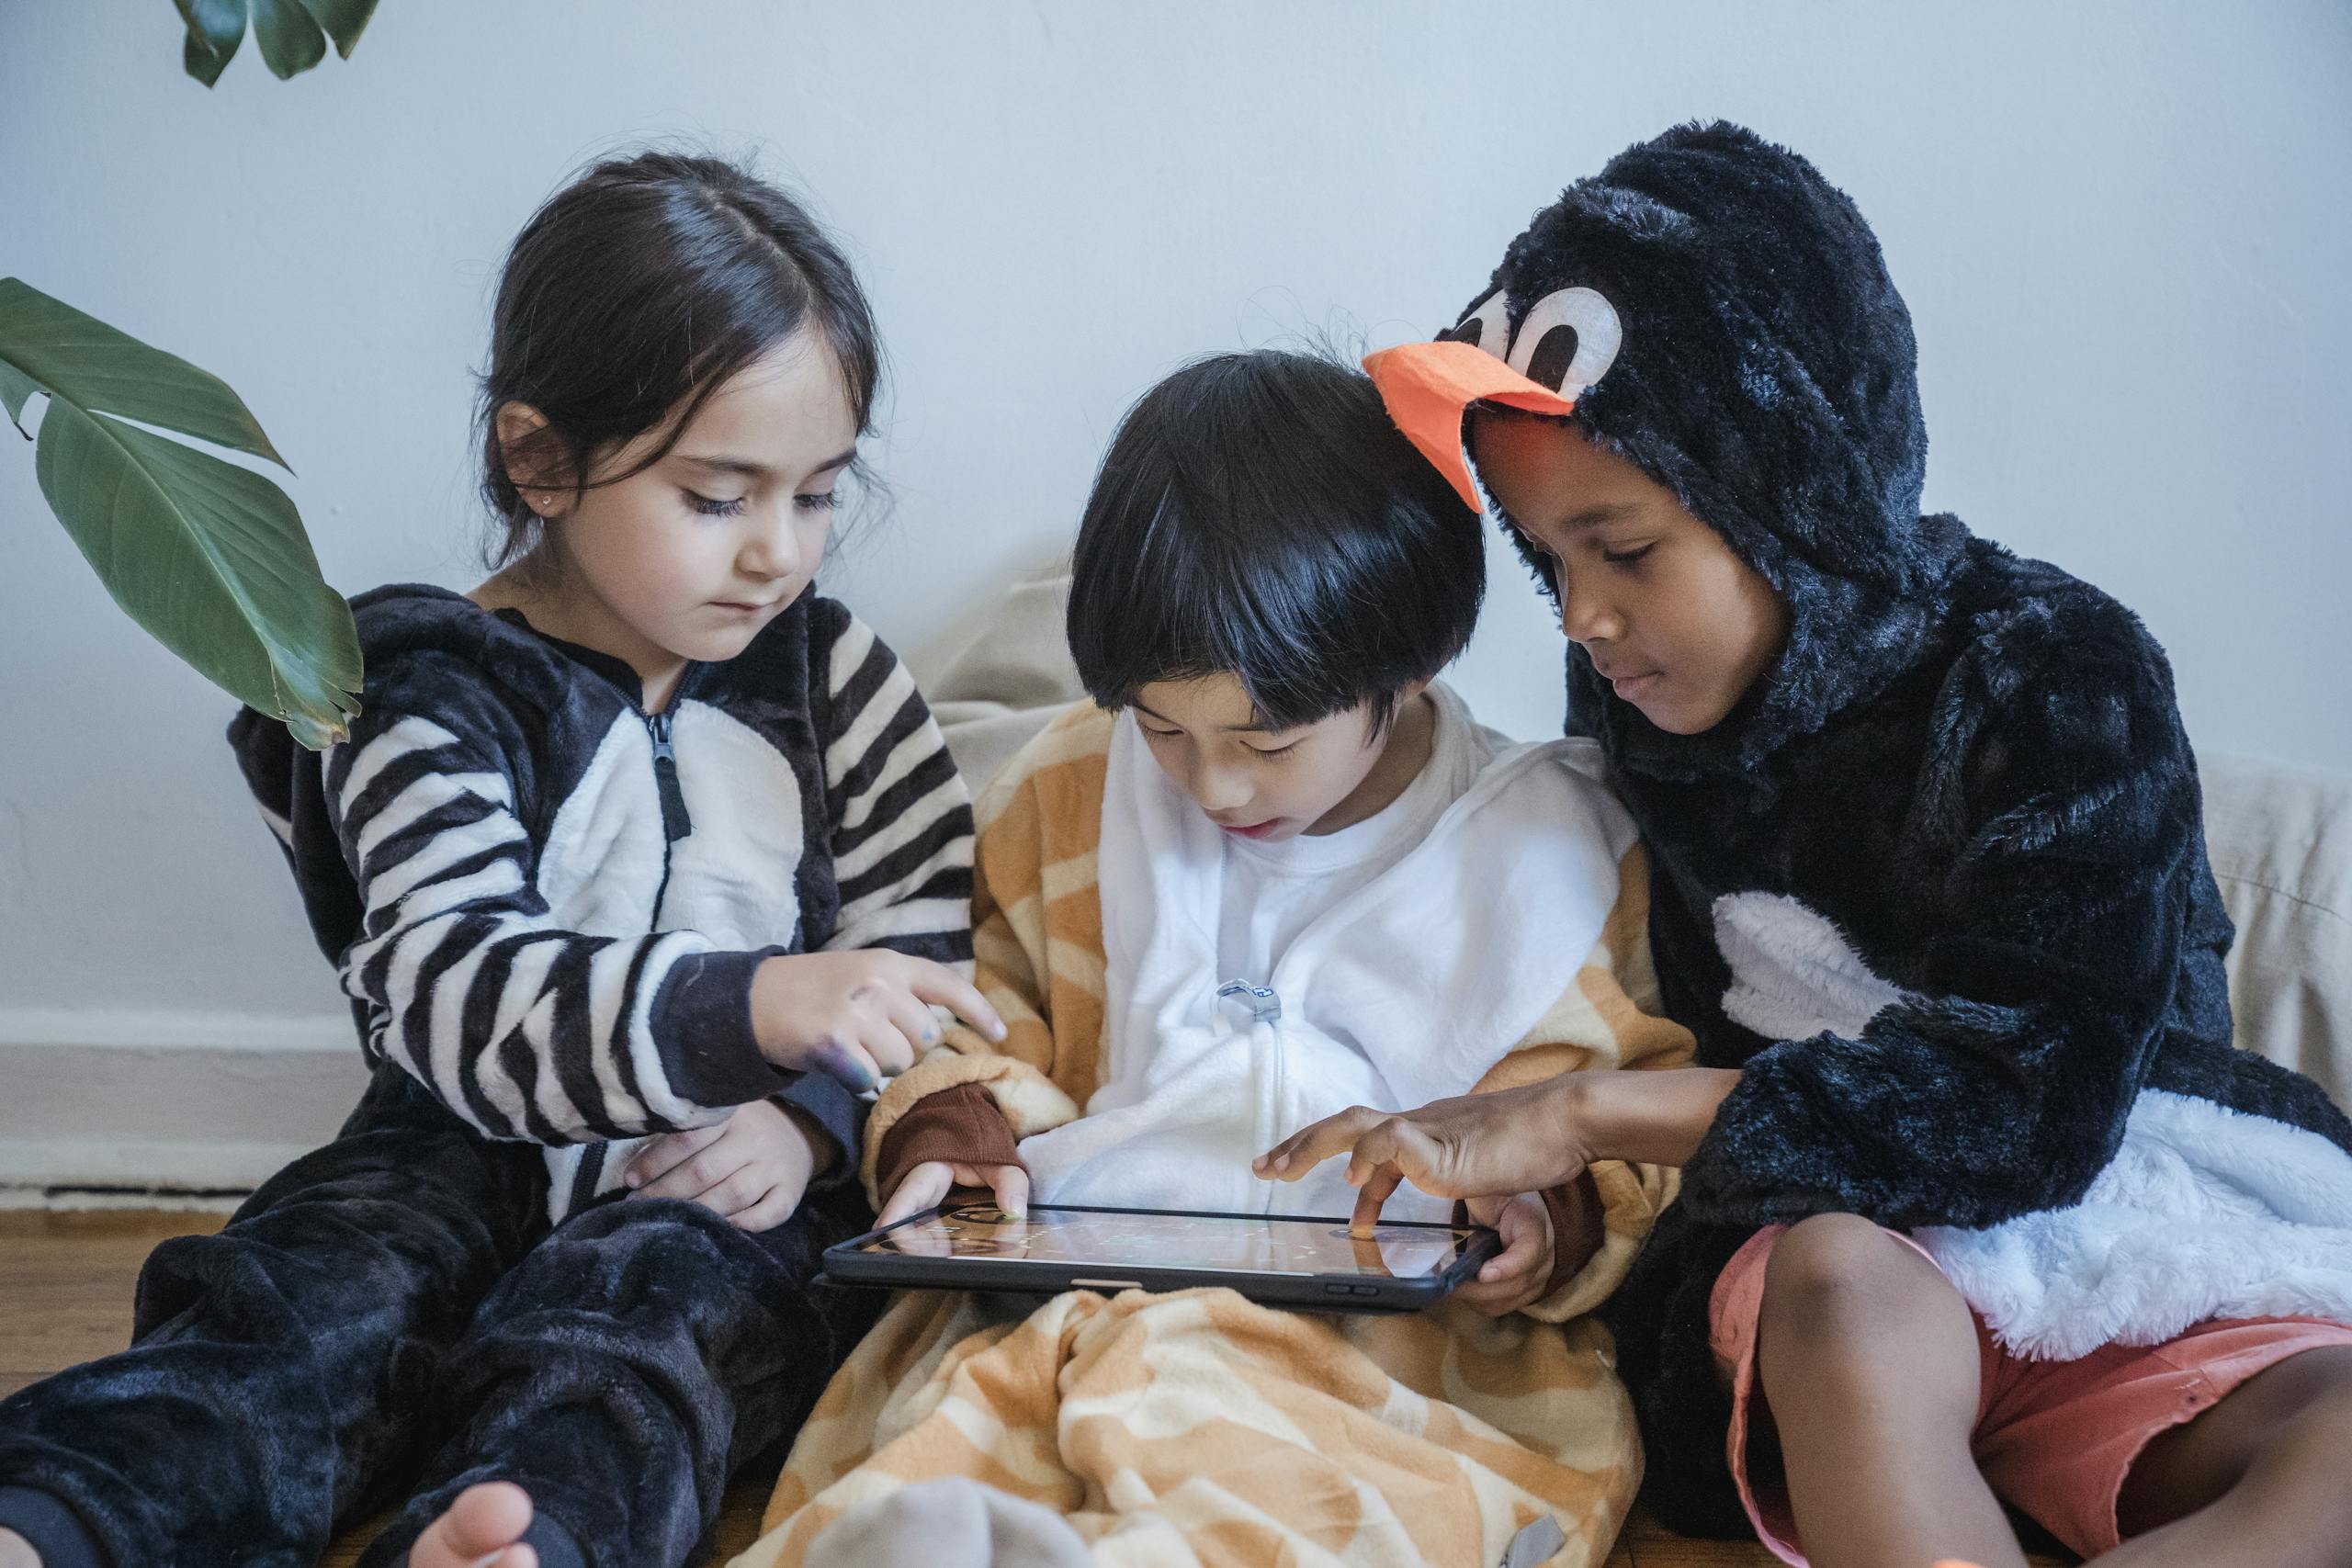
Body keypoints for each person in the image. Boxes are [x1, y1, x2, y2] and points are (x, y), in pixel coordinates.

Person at [1261, 122, 2352, 1568]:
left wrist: (1588, 1115)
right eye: (1548, 561)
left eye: (1624, 550)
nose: (1583, 618)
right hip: (1847, 1277)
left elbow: (2029, 1098)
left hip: (2138, 1227)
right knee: (1840, 1282)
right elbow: (1628, 1003)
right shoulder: (1630, 717)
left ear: (1797, 499)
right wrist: (1555, 1188)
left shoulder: (2052, 670)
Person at [0, 151, 1001, 1568]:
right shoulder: (424, 682)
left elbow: (924, 963)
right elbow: (459, 988)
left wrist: (809, 1123)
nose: (779, 554)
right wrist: (755, 1003)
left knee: (649, 1333)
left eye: (818, 495)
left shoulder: (835, 681)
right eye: (720, 498)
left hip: (725, 1182)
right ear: (541, 461)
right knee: (300, 1311)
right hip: (446, 1151)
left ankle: (525, 1538)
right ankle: (55, 1521)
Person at [736, 350, 1690, 1568]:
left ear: (1409, 665)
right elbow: (977, 1009)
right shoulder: (1069, 790)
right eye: (1162, 729)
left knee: (1297, 1487)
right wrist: (955, 1130)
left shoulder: (1547, 850)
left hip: (1397, 1346)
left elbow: (1617, 1115)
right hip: (1069, 1289)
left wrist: (1546, 1215)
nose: (1214, 787)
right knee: (957, 1440)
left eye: (1268, 743)